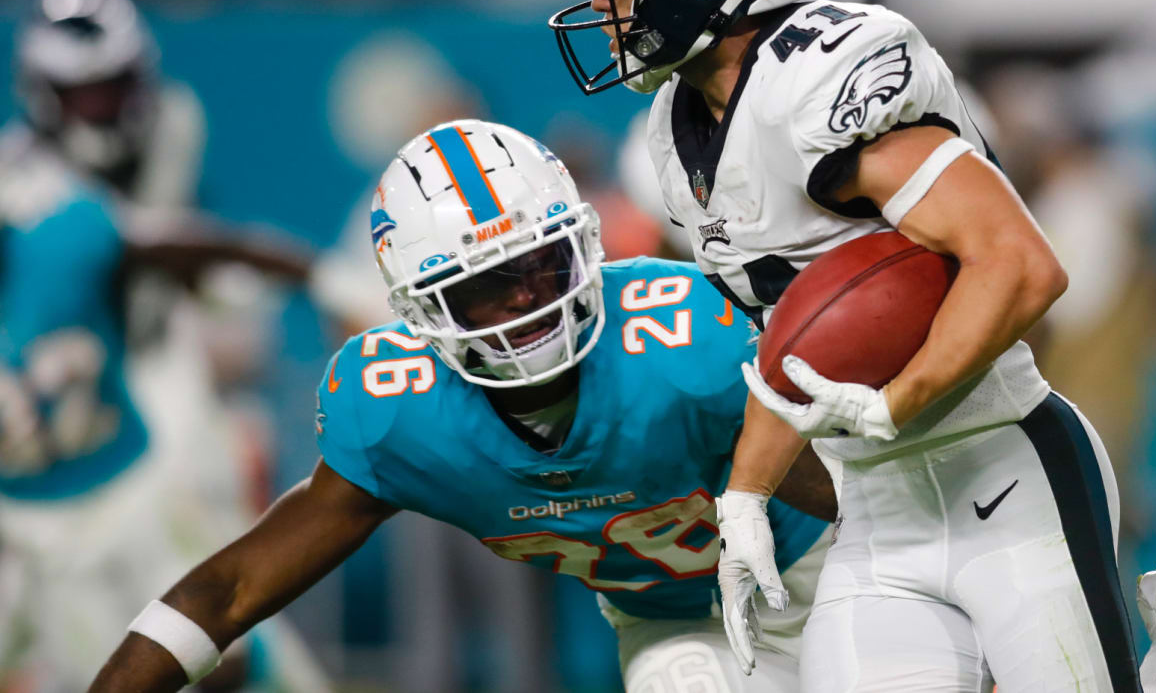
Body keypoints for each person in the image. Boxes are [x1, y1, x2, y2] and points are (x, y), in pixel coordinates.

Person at [547, 0, 1156, 691]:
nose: (599, 2)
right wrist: (744, 499)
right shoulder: (672, 133)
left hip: (1006, 476)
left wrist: (897, 403)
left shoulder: (818, 78)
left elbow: (1020, 262)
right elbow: (799, 344)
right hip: (872, 517)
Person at [89, 119, 835, 691]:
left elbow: (853, 500)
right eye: (484, 287)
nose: (525, 303)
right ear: (422, 312)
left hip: (825, 572)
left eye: (542, 266)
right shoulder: (397, 413)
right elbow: (230, 589)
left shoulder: (679, 340)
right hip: (674, 625)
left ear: (583, 249)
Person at [0, 0, 326, 692]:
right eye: (85, 93)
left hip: (138, 385)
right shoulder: (26, 188)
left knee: (214, 568)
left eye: (115, 87)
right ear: (43, 92)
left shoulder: (163, 133)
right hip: (61, 442)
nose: (106, 108)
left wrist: (301, 284)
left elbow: (169, 242)